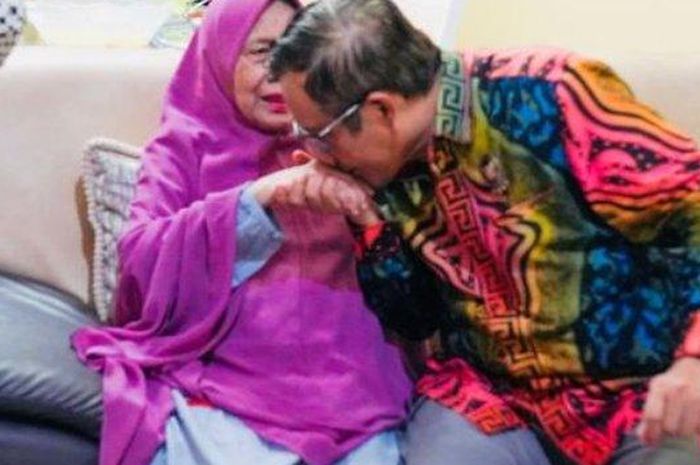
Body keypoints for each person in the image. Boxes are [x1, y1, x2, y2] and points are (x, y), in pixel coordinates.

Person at [267, 0, 700, 464]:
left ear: (381, 110)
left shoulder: (551, 93)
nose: (316, 155)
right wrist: (367, 221)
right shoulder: (379, 169)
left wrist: (693, 361)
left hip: (636, 389)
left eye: (320, 135)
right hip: (490, 397)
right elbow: (415, 320)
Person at [70, 1, 412, 465]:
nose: (280, 73)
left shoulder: (341, 138)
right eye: (262, 52)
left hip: (349, 380)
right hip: (223, 376)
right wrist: (256, 199)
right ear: (221, 56)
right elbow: (139, 268)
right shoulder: (181, 149)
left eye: (293, 52)